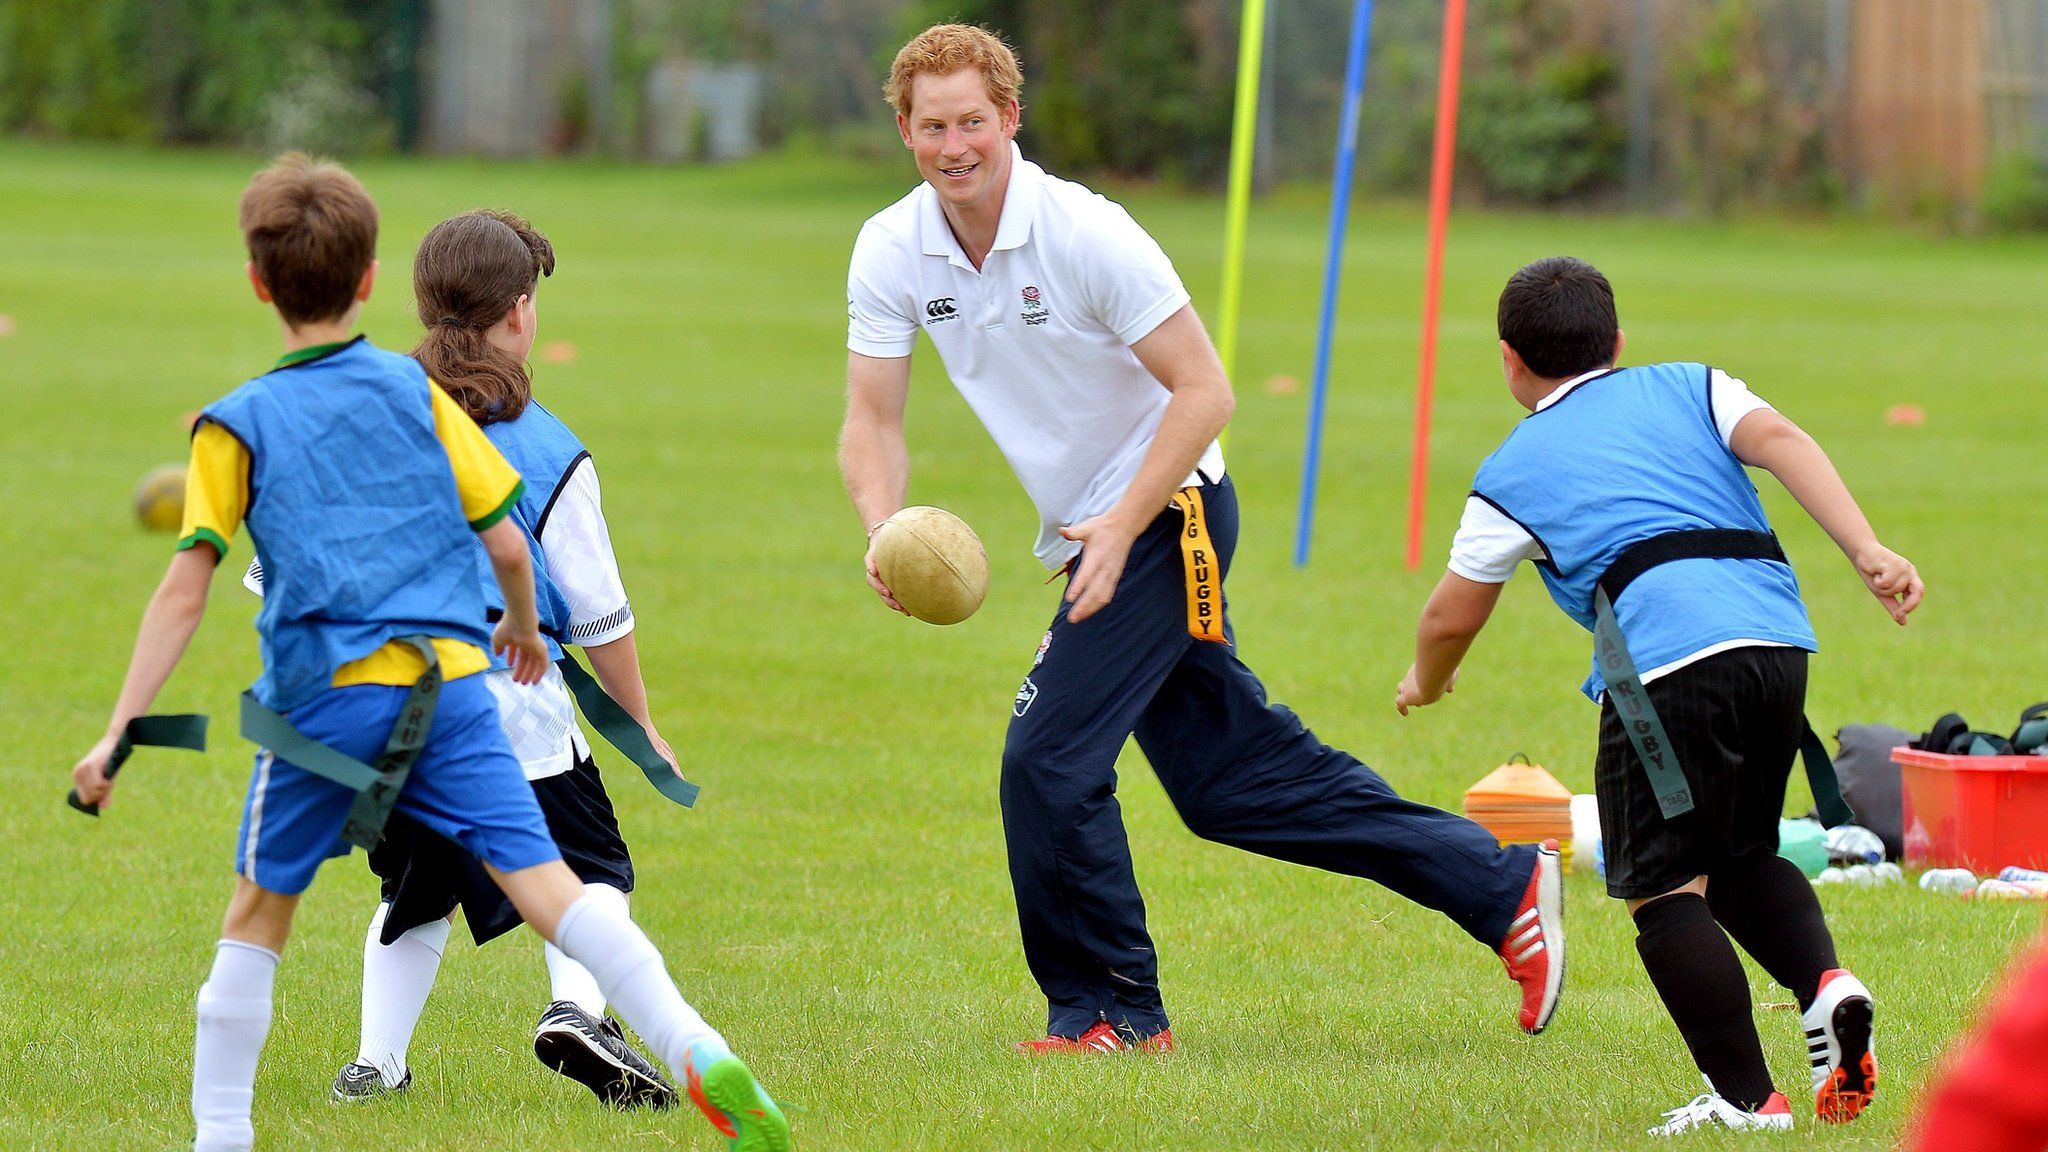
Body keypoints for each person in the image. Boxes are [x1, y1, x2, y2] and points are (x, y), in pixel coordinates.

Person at [839, 23, 1563, 1053]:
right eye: (930, 127)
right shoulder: (889, 247)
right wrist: (881, 526)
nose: (953, 146)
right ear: (903, 131)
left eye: (971, 122)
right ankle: (1500, 887)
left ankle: (1110, 1014)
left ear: (1008, 119)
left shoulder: (1087, 233)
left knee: (1045, 759)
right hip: (1098, 529)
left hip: (1165, 512)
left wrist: (1119, 524)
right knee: (1233, 784)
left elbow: (1205, 389)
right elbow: (871, 417)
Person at [67, 155, 789, 1152]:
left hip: (322, 715)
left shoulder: (234, 424)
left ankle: (221, 1134)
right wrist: (527, 634)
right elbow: (502, 541)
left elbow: (187, 588)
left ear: (256, 283)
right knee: (554, 888)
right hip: (451, 693)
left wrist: (118, 731)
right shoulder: (423, 402)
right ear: (367, 280)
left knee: (257, 916)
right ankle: (690, 1041)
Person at [1395, 255, 1921, 1134]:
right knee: (1744, 852)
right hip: (1777, 644)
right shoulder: (1692, 385)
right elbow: (1785, 443)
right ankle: (1828, 984)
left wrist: (1426, 680)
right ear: (1618, 345)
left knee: (1662, 885)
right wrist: (1866, 548)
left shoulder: (1510, 471)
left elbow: (1452, 617)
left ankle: (1749, 1103)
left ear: (1508, 361)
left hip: (1664, 673)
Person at [298, 209, 677, 1108]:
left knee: (417, 884)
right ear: (518, 312)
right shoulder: (548, 449)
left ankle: (375, 1065)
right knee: (590, 867)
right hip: (505, 699)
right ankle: (576, 1011)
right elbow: (599, 621)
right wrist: (643, 723)